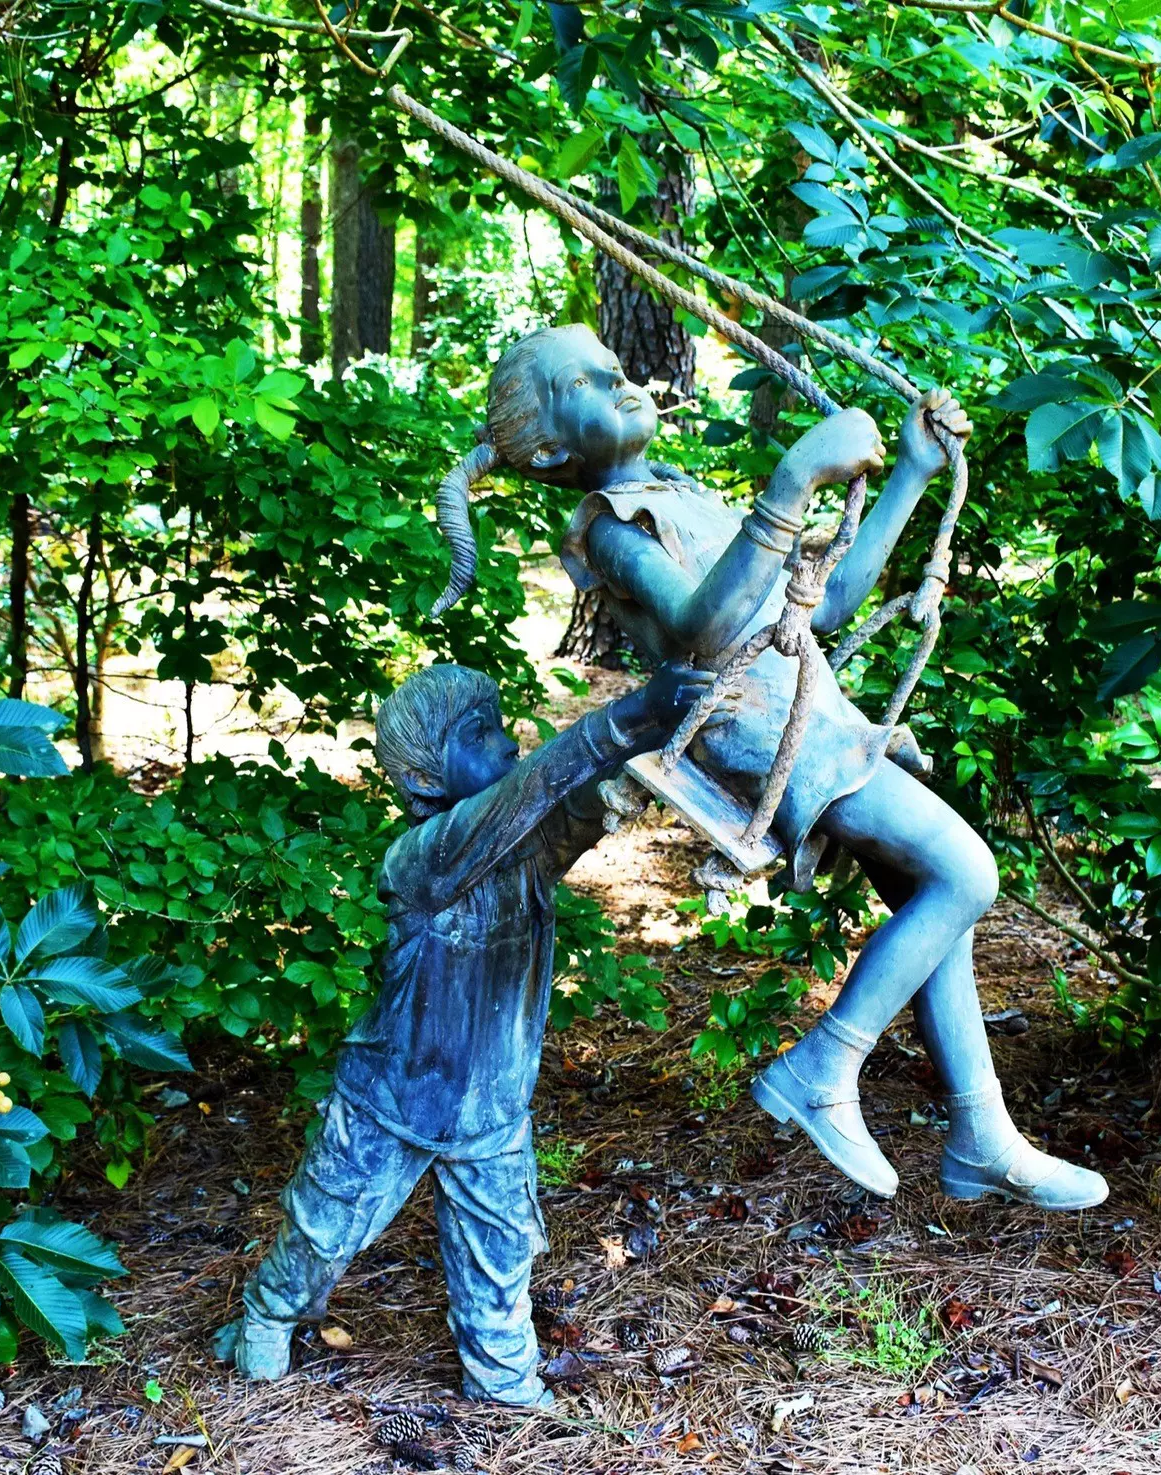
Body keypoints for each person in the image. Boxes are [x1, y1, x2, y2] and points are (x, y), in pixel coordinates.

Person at [429, 324, 1106, 1211]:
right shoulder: (609, 531)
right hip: (761, 731)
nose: (624, 380)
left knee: (932, 905)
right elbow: (702, 632)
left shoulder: (679, 494)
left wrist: (908, 472)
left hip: (814, 716)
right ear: (553, 446)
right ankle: (825, 1065)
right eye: (591, 382)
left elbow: (822, 605)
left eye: (620, 366)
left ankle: (982, 1135)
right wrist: (791, 480)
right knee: (966, 872)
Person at [216, 657, 714, 1402]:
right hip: (393, 1099)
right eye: (482, 733)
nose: (510, 741)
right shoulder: (423, 856)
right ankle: (267, 1313)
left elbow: (569, 805)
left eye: (503, 725)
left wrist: (650, 751)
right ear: (424, 781)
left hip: (490, 1110)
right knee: (325, 1226)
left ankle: (504, 1376)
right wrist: (629, 712)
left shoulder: (524, 850)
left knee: (501, 1251)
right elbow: (532, 787)